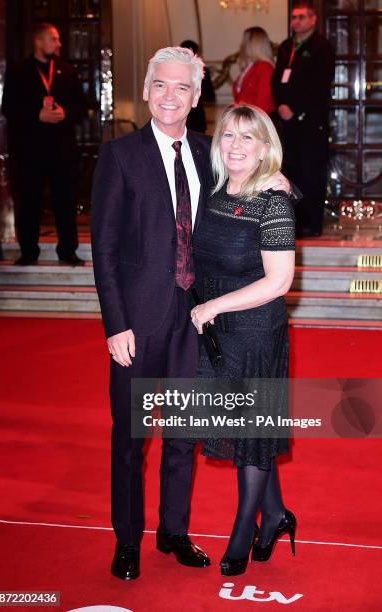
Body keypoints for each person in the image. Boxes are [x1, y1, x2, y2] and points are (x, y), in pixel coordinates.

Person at [90, 47, 293, 581]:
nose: (170, 96)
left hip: (198, 323)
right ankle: (127, 540)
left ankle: (173, 532)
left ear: (197, 96)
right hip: (136, 322)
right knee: (131, 439)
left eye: (182, 87)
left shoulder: (215, 151)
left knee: (183, 436)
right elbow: (104, 248)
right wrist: (115, 324)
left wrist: (283, 183)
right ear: (148, 87)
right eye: (161, 85)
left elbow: (262, 190)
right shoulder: (119, 156)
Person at [191, 104, 297, 576]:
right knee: (243, 427)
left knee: (250, 432)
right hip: (217, 329)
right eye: (228, 136)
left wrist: (213, 307)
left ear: (264, 148)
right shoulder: (213, 192)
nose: (235, 145)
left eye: (247, 138)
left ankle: (244, 528)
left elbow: (279, 282)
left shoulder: (273, 201)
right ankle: (275, 514)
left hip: (254, 329)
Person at [2, 22, 87, 266]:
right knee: (28, 202)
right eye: (54, 39)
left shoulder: (67, 71)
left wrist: (65, 112)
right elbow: (8, 108)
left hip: (62, 151)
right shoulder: (18, 71)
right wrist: (35, 115)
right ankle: (28, 252)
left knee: (65, 202)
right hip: (29, 151)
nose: (59, 43)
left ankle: (68, 251)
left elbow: (81, 107)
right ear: (39, 41)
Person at [272, 0, 335, 237]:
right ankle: (294, 224)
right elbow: (277, 79)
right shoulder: (286, 46)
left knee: (312, 172)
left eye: (301, 17)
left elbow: (319, 85)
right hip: (287, 122)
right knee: (290, 171)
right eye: (293, 17)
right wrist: (280, 105)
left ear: (313, 19)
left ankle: (313, 224)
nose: (296, 21)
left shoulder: (322, 47)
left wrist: (296, 109)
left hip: (310, 122)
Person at [233, 27, 275, 115]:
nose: (241, 45)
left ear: (253, 44)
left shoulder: (265, 68)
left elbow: (263, 106)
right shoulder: (251, 66)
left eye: (244, 41)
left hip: (256, 122)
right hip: (246, 119)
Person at [180, 40, 215, 133]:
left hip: (182, 116)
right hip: (196, 117)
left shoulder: (173, 71)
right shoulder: (203, 71)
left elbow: (210, 96)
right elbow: (210, 96)